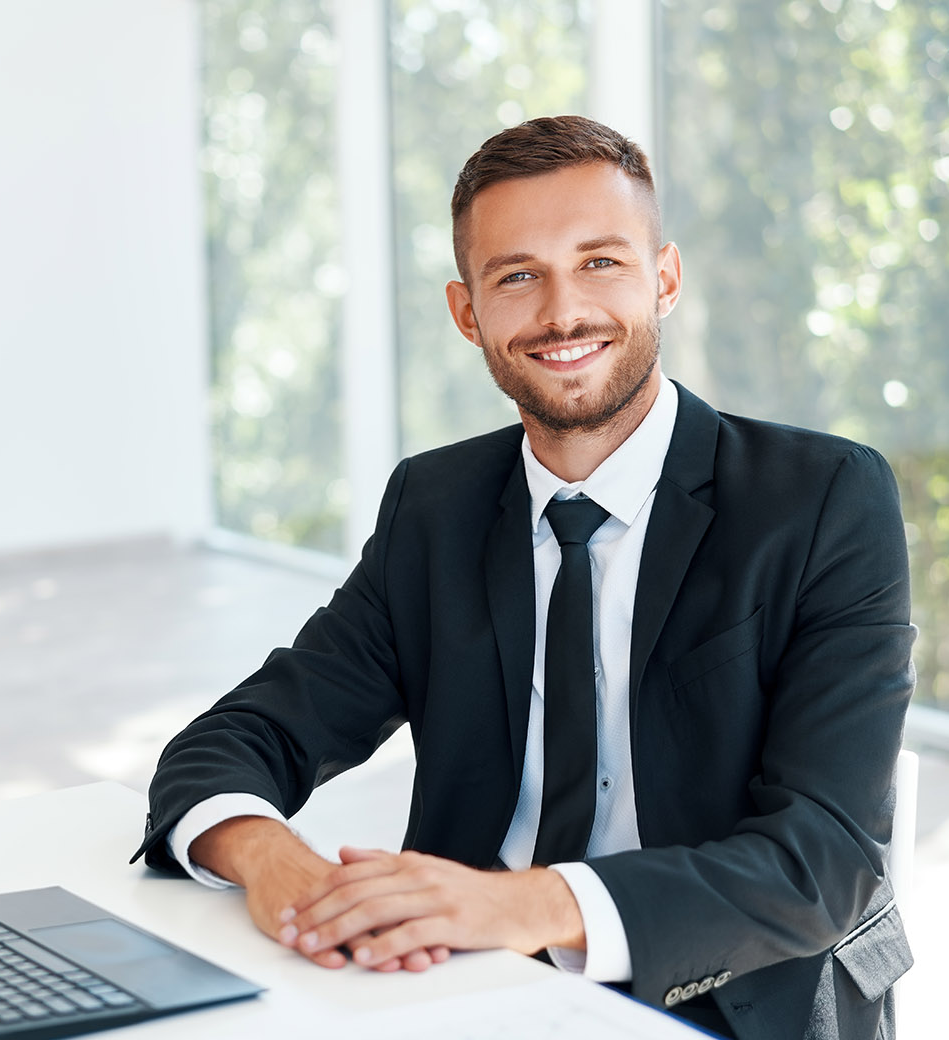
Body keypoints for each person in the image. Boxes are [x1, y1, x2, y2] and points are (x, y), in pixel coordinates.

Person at [133, 115, 915, 1039]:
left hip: (739, 997)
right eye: (518, 276)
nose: (561, 313)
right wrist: (277, 868)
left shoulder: (821, 497)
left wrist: (514, 906)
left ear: (663, 280)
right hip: (471, 990)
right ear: (468, 313)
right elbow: (238, 738)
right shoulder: (436, 504)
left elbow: (823, 858)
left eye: (600, 263)